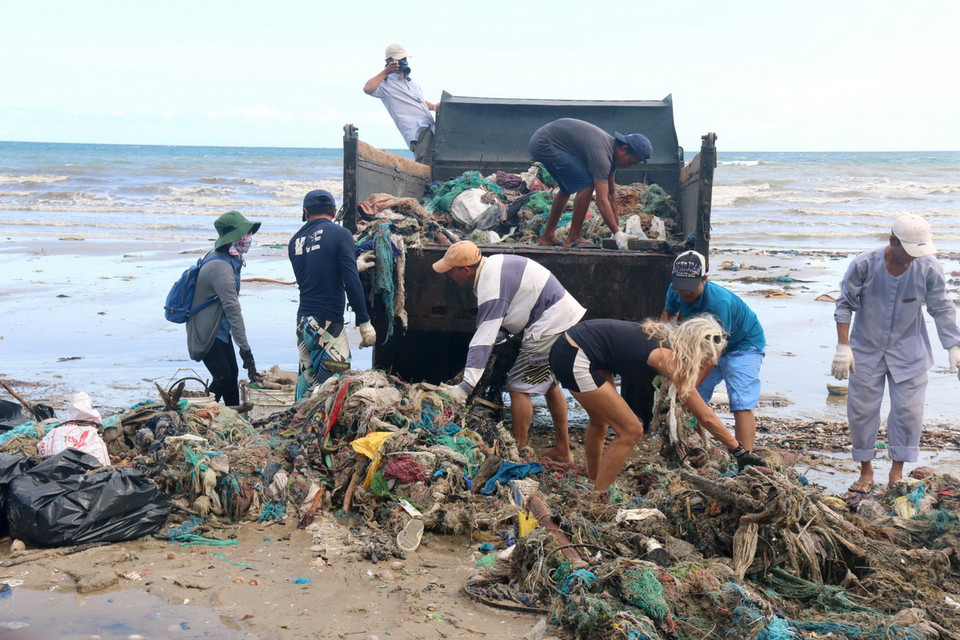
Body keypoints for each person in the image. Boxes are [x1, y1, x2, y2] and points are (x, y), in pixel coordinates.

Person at [549, 316, 766, 492]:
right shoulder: (668, 359)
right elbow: (705, 416)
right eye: (706, 357)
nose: (709, 363)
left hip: (575, 345)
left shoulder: (665, 338)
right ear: (695, 349)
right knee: (631, 430)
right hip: (575, 355)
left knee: (600, 420)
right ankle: (598, 497)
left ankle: (594, 480)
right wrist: (739, 451)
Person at [831, 214, 960, 493]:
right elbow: (844, 306)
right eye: (909, 251)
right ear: (893, 241)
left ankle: (896, 471)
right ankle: (866, 471)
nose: (914, 258)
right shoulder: (864, 264)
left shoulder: (928, 266)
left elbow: (941, 307)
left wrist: (954, 346)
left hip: (909, 349)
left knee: (908, 412)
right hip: (866, 348)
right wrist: (843, 347)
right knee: (862, 411)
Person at [432, 241, 585, 462]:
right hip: (560, 315)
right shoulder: (493, 265)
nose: (449, 276)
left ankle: (517, 454)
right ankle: (563, 450)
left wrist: (464, 388)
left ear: (466, 270)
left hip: (549, 324)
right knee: (550, 384)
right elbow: (500, 325)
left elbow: (483, 338)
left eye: (451, 272)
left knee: (517, 386)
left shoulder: (489, 287)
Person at [660, 250, 766, 452]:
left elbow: (714, 353)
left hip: (741, 345)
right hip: (705, 344)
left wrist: (688, 385)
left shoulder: (719, 303)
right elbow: (668, 313)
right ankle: (690, 447)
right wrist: (666, 342)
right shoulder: (675, 290)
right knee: (693, 398)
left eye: (690, 289)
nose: (684, 293)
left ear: (705, 279)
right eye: (680, 287)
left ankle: (746, 459)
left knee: (740, 402)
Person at [289, 189, 377, 400]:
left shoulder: (295, 241)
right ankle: (319, 431)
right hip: (327, 325)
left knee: (306, 388)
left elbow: (316, 273)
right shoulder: (340, 234)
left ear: (305, 212)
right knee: (333, 388)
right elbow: (350, 281)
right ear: (335, 211)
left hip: (304, 323)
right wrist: (364, 322)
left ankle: (298, 428)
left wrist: (353, 264)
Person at [530, 118, 652, 249]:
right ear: (623, 148)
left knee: (566, 189)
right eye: (630, 162)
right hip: (545, 143)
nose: (628, 167)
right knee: (587, 184)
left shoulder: (611, 155)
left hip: (545, 140)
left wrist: (617, 231)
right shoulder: (602, 157)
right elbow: (602, 200)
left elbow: (611, 194)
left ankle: (547, 237)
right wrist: (617, 233)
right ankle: (573, 237)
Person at [187, 211, 261, 406]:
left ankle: (237, 421)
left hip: (219, 329)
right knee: (223, 377)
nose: (248, 238)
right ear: (232, 238)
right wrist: (246, 351)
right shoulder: (220, 266)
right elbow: (233, 311)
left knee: (231, 376)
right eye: (245, 234)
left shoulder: (230, 258)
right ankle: (196, 415)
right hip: (206, 332)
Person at [363, 43, 438, 165]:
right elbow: (367, 89)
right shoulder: (385, 84)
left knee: (437, 162)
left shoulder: (410, 80)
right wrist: (386, 72)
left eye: (405, 59)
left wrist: (434, 107)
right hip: (417, 131)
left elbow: (418, 102)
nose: (403, 62)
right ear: (389, 61)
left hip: (430, 126)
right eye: (400, 59)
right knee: (426, 164)